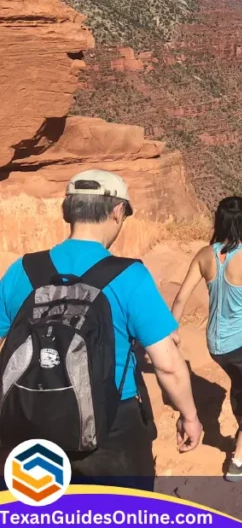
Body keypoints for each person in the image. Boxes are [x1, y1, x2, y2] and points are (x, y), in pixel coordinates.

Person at [0, 169, 201, 490]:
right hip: (110, 425)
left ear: (67, 211)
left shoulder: (22, 270)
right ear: (117, 211)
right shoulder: (130, 276)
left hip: (27, 420)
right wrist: (189, 415)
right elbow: (167, 363)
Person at [171, 197, 242, 481]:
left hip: (215, 344)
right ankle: (239, 460)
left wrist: (169, 334)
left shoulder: (205, 255)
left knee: (238, 384)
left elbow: (180, 298)